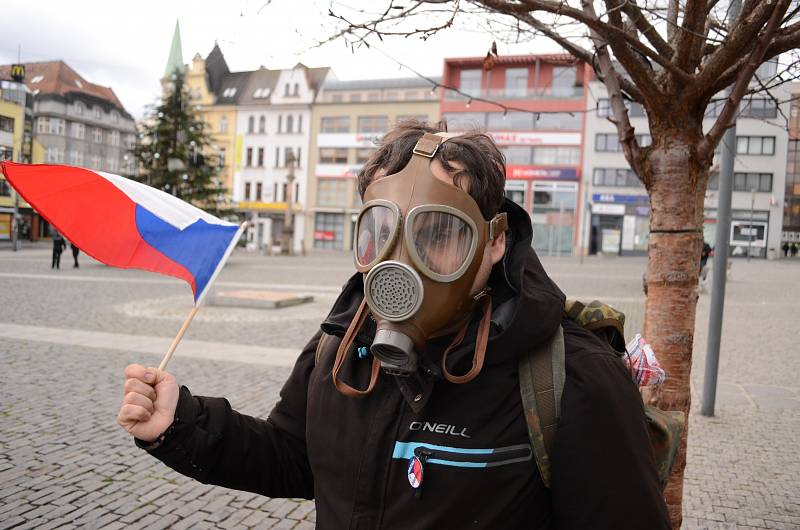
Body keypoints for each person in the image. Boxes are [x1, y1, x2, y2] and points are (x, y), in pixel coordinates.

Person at [117, 123, 670, 529]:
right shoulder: (341, 345)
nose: (400, 263)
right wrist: (180, 424)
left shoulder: (574, 379)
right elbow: (295, 459)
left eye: (438, 233)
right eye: (382, 231)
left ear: (495, 240)